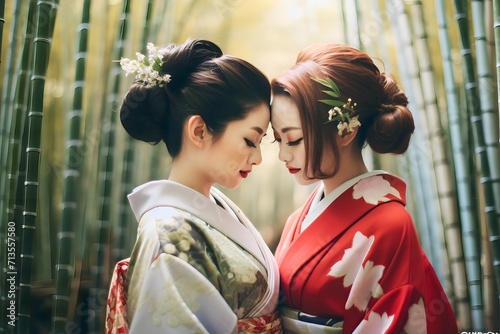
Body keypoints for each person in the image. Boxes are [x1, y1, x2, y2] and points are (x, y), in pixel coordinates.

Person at [270, 43, 458, 333]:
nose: (283, 154)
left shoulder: (392, 226)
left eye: (293, 140)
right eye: (277, 139)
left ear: (345, 131)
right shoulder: (298, 219)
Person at [105, 39, 282, 334]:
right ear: (199, 131)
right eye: (250, 141)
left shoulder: (212, 207)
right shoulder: (166, 232)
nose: (258, 158)